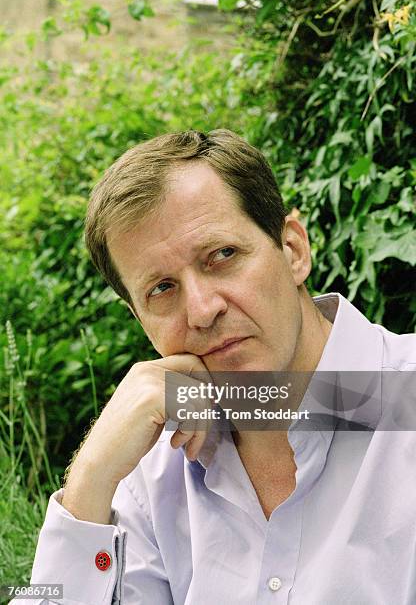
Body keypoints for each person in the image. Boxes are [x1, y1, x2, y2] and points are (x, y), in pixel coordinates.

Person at [9, 129, 416, 605]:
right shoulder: (152, 473)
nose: (202, 310)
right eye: (162, 288)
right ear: (140, 321)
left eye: (222, 256)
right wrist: (89, 482)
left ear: (293, 250)